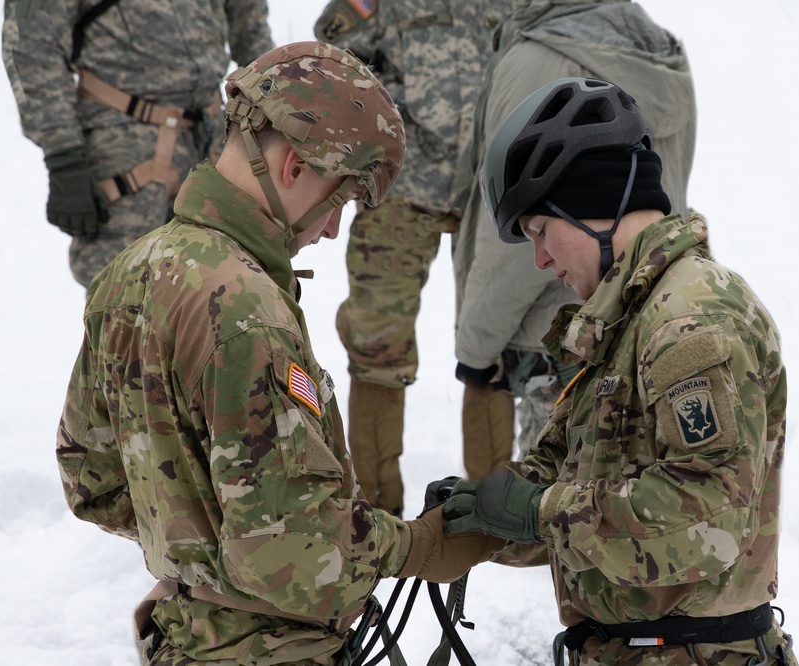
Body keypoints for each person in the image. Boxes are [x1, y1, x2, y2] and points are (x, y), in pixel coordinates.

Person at [55, 42, 503, 666]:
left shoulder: (133, 269)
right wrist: (419, 547)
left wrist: (198, 561)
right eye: (340, 201)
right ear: (294, 166)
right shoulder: (244, 310)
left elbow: (92, 479)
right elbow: (293, 553)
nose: (331, 230)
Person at [443, 78, 798, 665]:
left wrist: (541, 511)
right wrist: (486, 512)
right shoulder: (624, 323)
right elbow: (572, 484)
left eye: (539, 231)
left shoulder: (690, 316)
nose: (540, 260)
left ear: (593, 204)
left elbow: (710, 514)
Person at [451, 0, 698, 478]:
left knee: (569, 511)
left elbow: (528, 229)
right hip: (643, 307)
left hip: (561, 338)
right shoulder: (659, 49)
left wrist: (476, 347)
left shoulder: (542, 59)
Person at [314, 0, 517, 514]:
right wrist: (396, 105)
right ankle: (374, 508)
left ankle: (495, 506)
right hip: (401, 190)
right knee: (377, 342)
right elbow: (330, 65)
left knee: (490, 339)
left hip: (486, 192)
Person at [2, 0, 274, 287]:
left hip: (214, 139)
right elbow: (32, 47)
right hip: (125, 146)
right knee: (126, 293)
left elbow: (251, 29)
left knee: (229, 287)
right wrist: (64, 156)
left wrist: (273, 116)